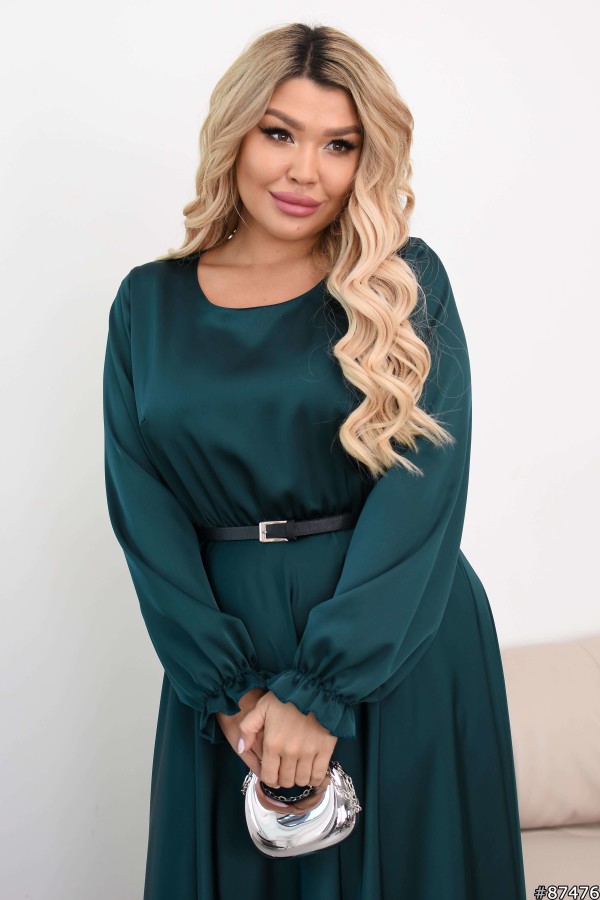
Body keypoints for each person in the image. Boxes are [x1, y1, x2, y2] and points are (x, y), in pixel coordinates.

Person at [102, 21, 528, 900]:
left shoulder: (403, 283)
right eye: (280, 133)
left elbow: (424, 494)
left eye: (340, 144)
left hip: (395, 646)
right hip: (226, 672)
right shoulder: (147, 304)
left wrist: (321, 693)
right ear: (235, 133)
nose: (307, 171)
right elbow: (141, 508)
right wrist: (227, 691)